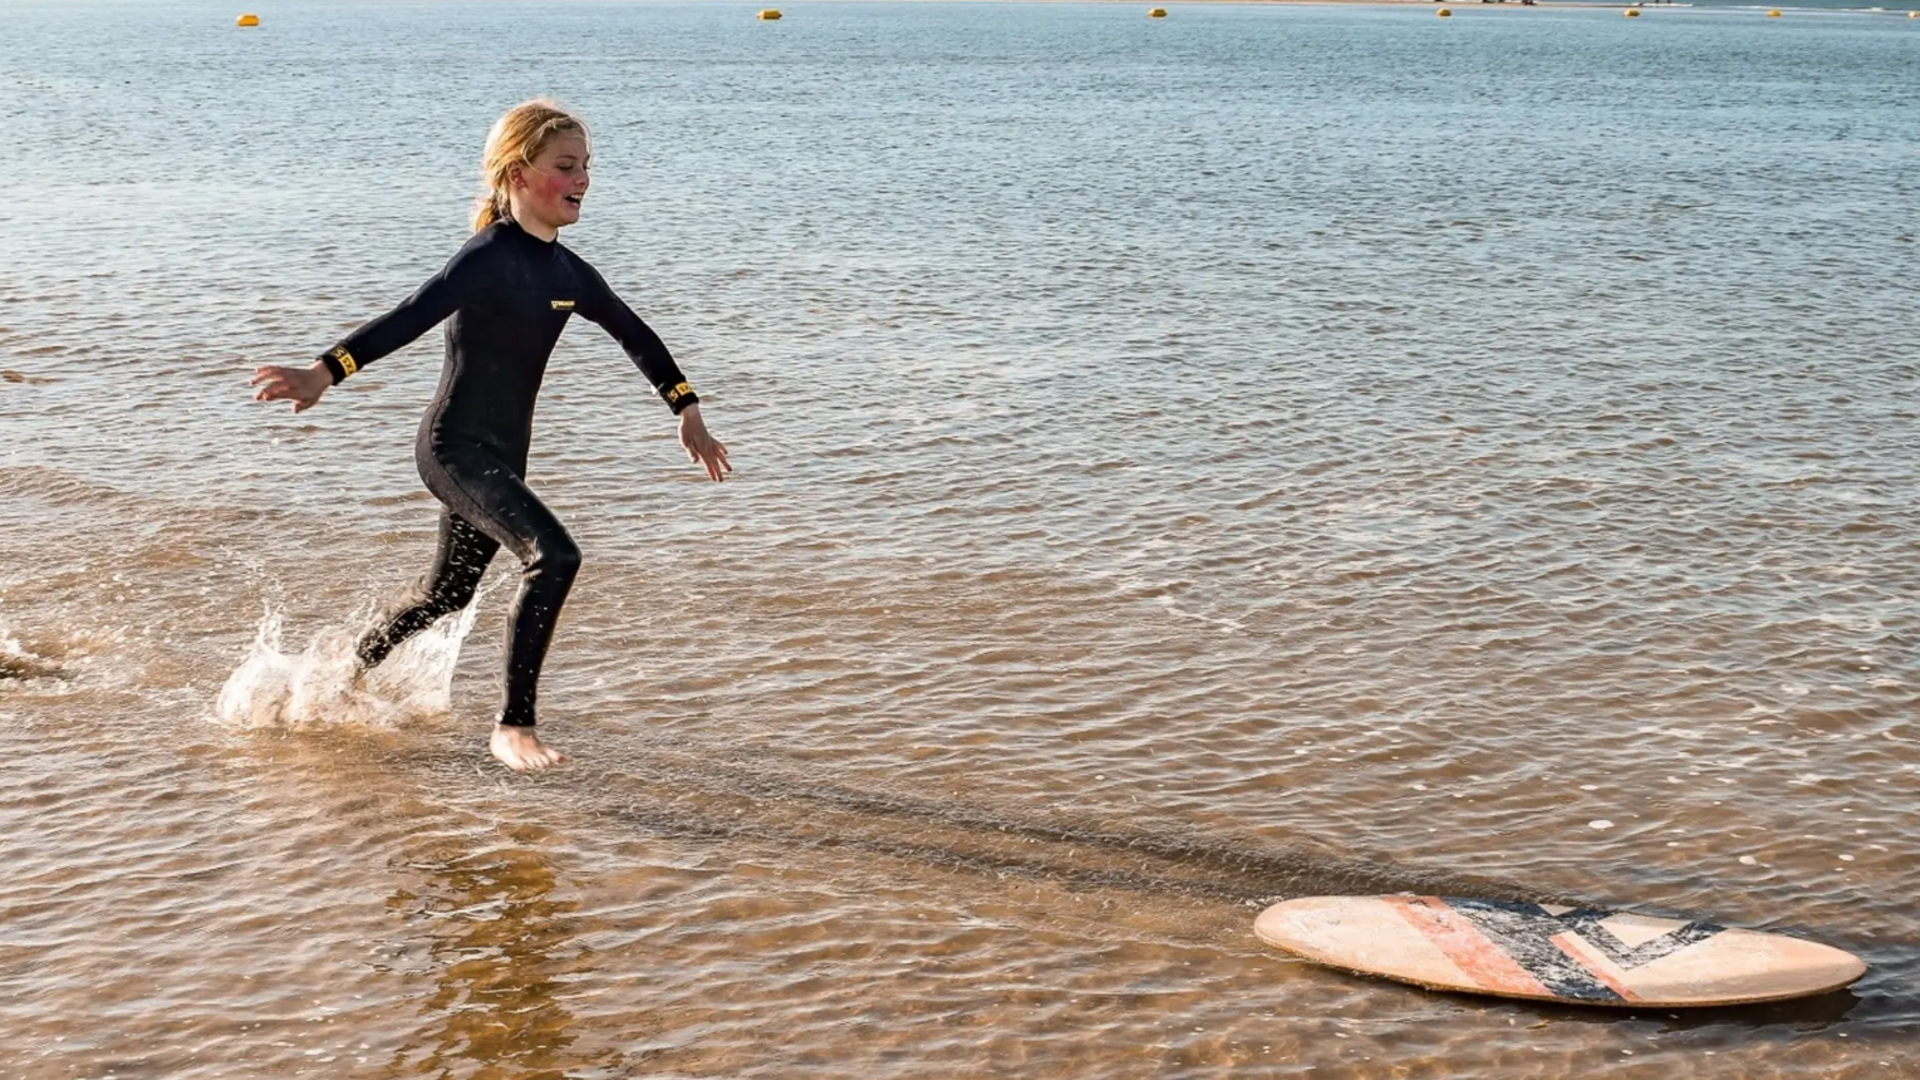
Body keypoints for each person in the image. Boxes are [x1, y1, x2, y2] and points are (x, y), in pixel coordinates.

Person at [250, 99, 729, 771]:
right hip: (453, 448)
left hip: (503, 456)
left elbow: (636, 335)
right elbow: (410, 315)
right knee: (554, 556)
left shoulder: (569, 274)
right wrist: (325, 372)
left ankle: (334, 677)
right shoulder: (486, 258)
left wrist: (686, 408)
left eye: (587, 166)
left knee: (445, 595)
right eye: (566, 166)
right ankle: (513, 725)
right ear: (518, 173)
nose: (583, 179)